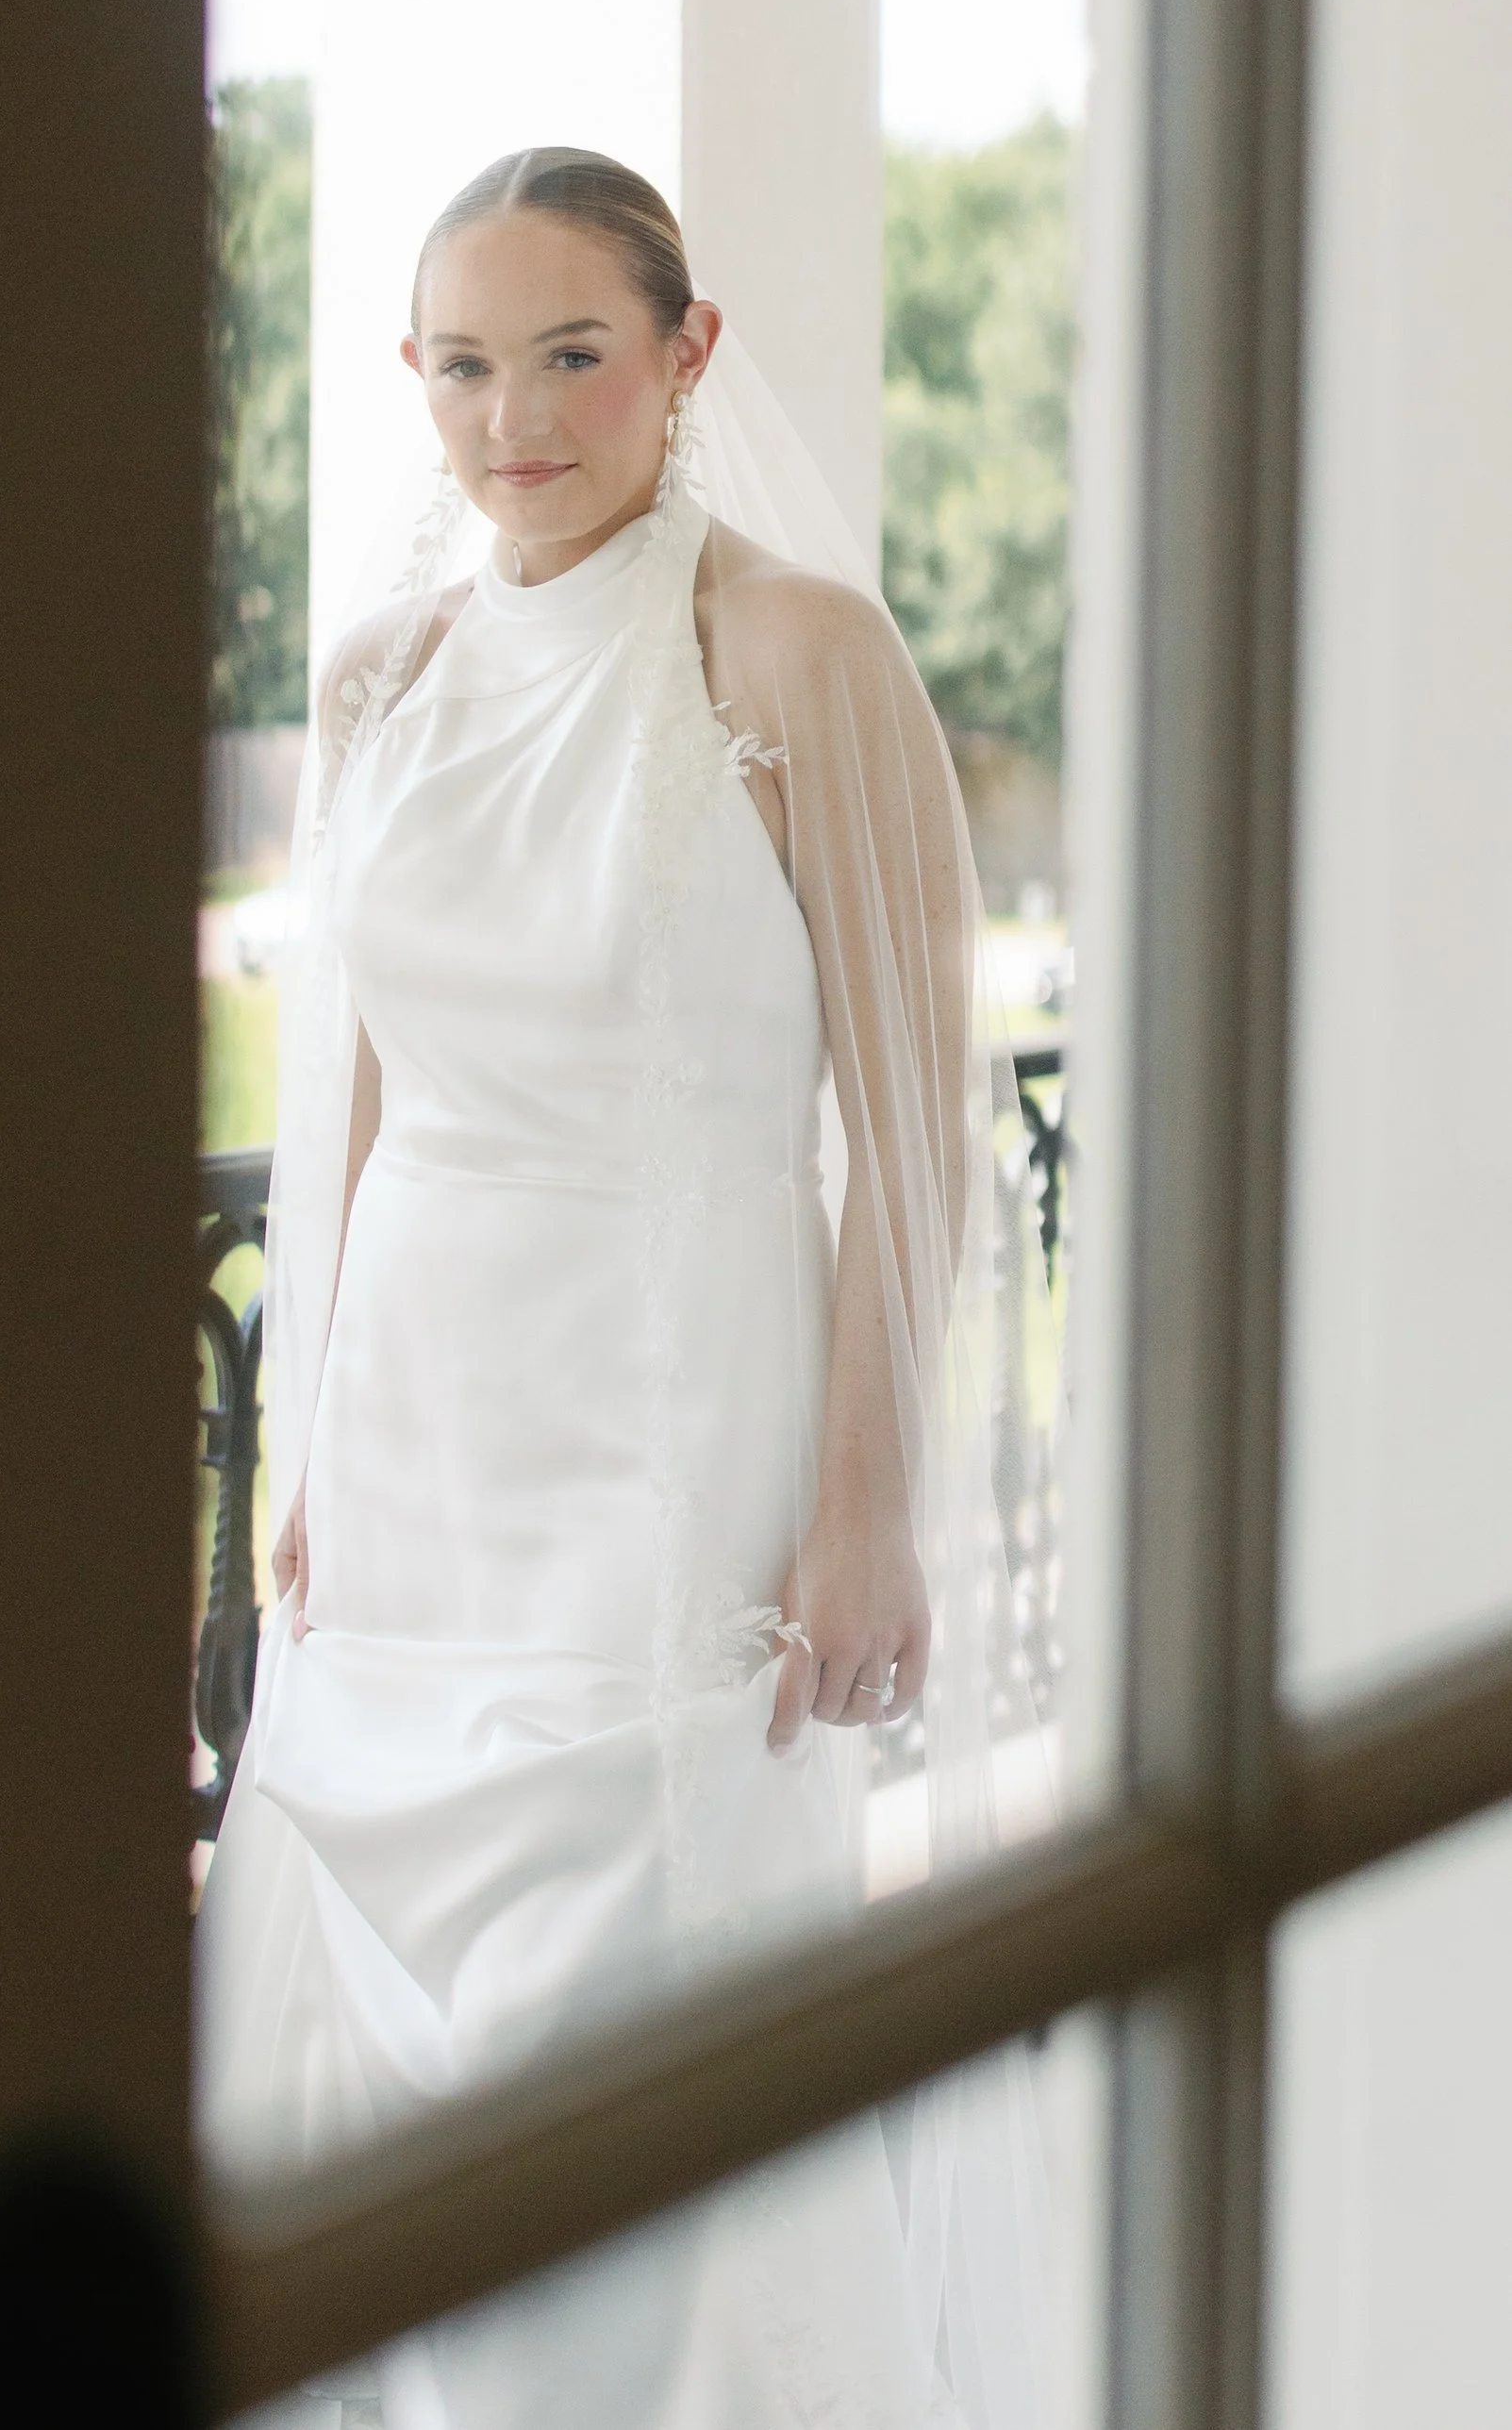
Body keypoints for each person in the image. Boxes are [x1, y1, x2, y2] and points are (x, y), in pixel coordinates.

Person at [198, 151, 1052, 2430]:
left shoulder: (784, 645)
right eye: (464, 365)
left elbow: (904, 1118)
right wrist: (308, 1432)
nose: (517, 416)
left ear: (682, 354)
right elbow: (353, 1104)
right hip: (423, 1441)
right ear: (411, 378)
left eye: (572, 352)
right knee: (377, 2067)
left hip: (675, 1433)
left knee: (639, 2020)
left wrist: (864, 1497)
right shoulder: (379, 679)